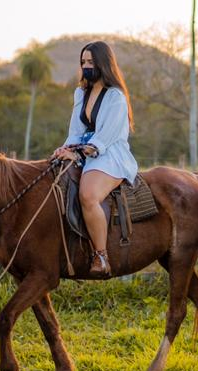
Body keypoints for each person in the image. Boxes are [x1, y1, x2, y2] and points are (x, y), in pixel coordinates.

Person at [52, 41, 138, 277]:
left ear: (103, 64)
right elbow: (75, 131)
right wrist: (65, 149)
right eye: (83, 62)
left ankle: (101, 256)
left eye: (91, 62)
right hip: (84, 150)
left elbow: (105, 137)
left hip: (110, 155)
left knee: (88, 195)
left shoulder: (115, 97)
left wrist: (79, 153)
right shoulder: (81, 93)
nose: (86, 66)